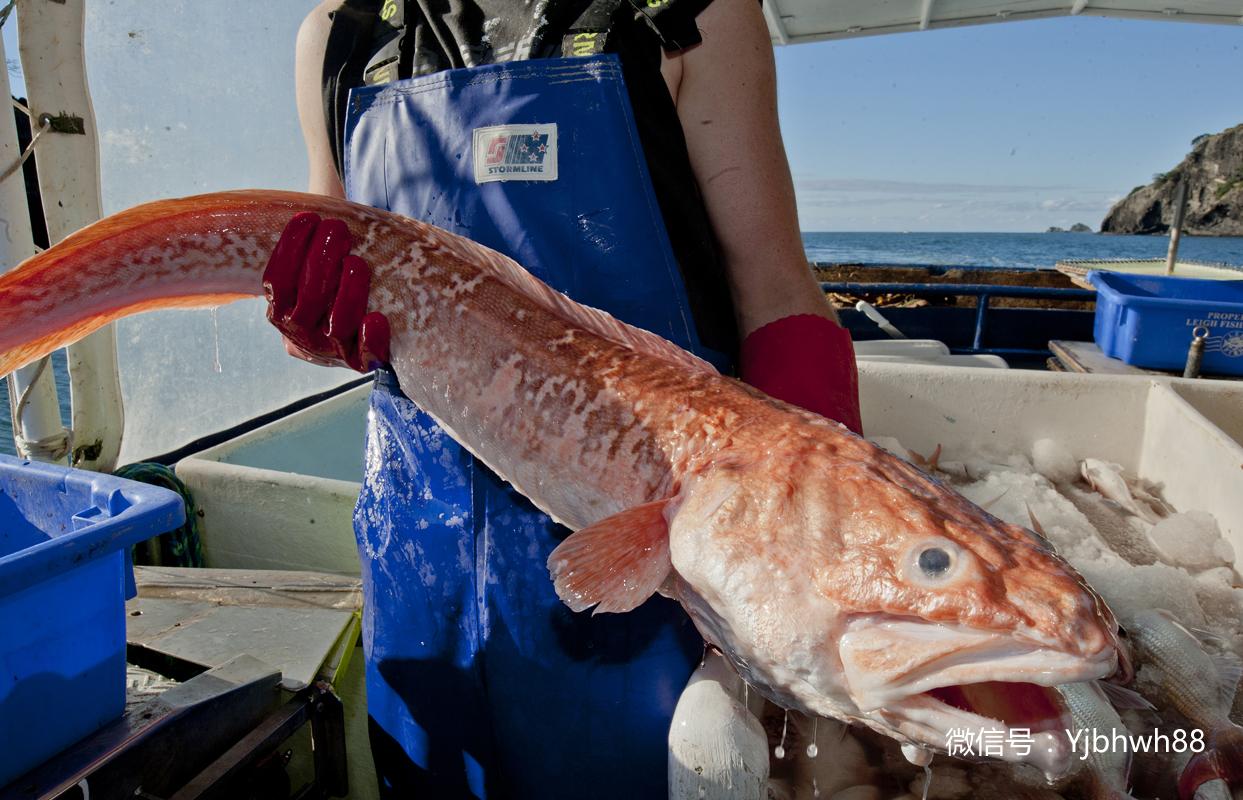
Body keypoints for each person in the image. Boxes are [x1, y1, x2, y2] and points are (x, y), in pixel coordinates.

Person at [264, 1, 862, 796]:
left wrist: (838, 548)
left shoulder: (690, 14)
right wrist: (310, 328)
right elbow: (331, 265)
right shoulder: (340, 37)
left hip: (644, 547)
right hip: (415, 541)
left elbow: (774, 288)